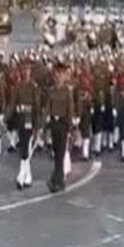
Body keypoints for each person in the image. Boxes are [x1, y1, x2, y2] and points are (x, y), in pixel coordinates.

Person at [6, 62, 40, 190]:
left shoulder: (34, 87)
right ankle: (27, 176)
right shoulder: (18, 87)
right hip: (21, 119)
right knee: (24, 148)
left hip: (29, 119)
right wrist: (6, 117)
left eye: (28, 71)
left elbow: (36, 106)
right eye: (24, 71)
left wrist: (38, 125)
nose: (26, 73)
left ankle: (21, 175)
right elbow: (13, 104)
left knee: (26, 148)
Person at [45, 61, 76, 193]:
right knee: (56, 152)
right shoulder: (51, 91)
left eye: (60, 75)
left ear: (64, 77)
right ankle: (57, 179)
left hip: (63, 124)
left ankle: (58, 180)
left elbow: (70, 110)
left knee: (61, 154)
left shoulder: (67, 92)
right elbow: (47, 108)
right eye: (56, 75)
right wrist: (43, 125)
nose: (57, 78)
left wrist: (71, 128)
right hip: (54, 124)